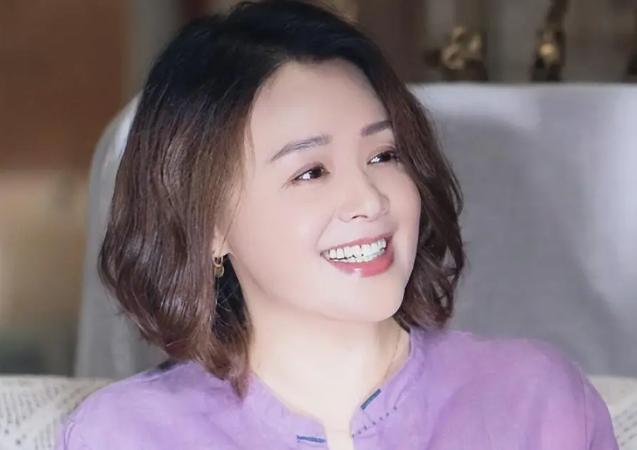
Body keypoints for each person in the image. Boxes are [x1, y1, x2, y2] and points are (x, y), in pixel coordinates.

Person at [55, 1, 619, 449]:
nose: (369, 200)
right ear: (207, 226)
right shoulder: (125, 435)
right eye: (311, 172)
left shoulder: (538, 403)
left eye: (384, 156)